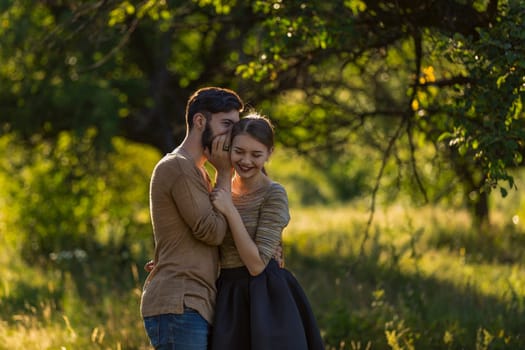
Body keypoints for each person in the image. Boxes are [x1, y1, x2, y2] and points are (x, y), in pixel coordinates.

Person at [209, 113, 325, 350]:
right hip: (228, 296)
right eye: (239, 151)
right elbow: (207, 237)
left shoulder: (274, 194)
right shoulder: (221, 190)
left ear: (269, 153)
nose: (246, 161)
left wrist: (230, 212)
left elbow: (257, 265)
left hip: (266, 299)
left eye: (256, 154)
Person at [140, 86, 243, 350]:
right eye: (227, 124)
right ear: (200, 121)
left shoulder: (198, 172)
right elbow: (213, 232)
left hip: (193, 304)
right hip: (179, 303)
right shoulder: (178, 167)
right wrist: (223, 172)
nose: (234, 135)